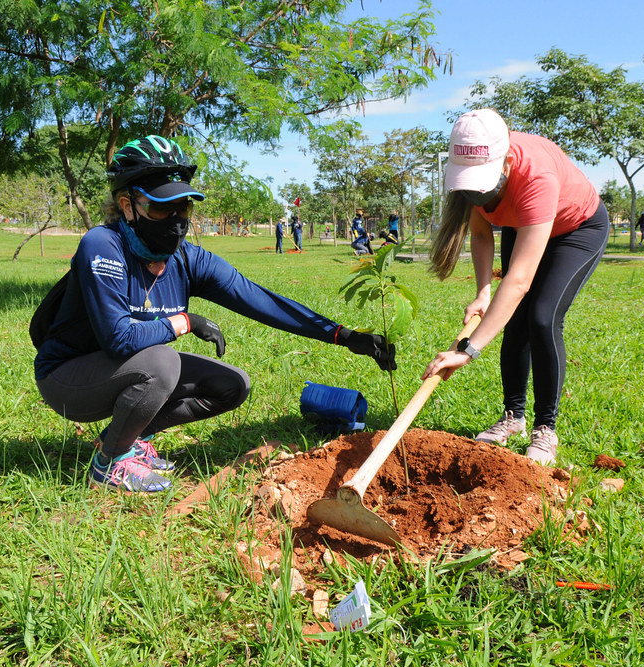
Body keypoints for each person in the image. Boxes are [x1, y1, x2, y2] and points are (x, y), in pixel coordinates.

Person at [34, 135, 396, 493]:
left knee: (232, 385)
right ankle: (110, 462)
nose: (176, 220)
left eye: (184, 208)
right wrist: (185, 322)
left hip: (128, 369)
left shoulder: (187, 259)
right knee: (163, 363)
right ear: (128, 206)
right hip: (69, 378)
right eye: (162, 208)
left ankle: (123, 438)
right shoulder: (103, 245)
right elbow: (119, 339)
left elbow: (260, 300)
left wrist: (342, 336)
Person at [422, 109, 610, 466]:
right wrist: (482, 292)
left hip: (576, 230)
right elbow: (480, 233)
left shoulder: (536, 176)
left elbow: (520, 280)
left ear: (506, 161)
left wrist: (469, 350)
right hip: (522, 224)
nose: (478, 193)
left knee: (541, 317)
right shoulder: (476, 180)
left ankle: (545, 428)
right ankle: (513, 418)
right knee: (513, 321)